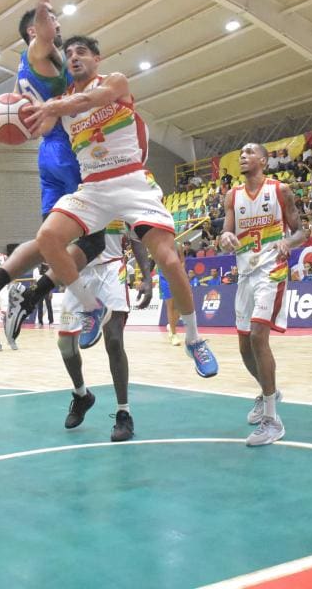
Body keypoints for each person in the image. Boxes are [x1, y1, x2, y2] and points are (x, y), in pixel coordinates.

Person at [29, 34, 219, 378]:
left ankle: (194, 339)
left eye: (81, 52)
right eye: (68, 53)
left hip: (131, 179)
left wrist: (54, 107)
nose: (74, 57)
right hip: (93, 186)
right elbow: (36, 125)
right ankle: (91, 307)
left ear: (97, 58)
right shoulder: (60, 101)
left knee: (171, 261)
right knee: (47, 238)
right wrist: (13, 112)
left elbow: (94, 99)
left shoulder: (114, 81)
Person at [0, 0, 107, 343]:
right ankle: (33, 296)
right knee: (93, 243)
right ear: (34, 29)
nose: (57, 26)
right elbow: (42, 31)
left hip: (48, 156)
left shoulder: (27, 72)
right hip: (69, 154)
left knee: (48, 242)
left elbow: (23, 119)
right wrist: (42, 4)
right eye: (52, 21)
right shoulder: (39, 52)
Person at [218, 143, 306, 446]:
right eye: (240, 153)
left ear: (264, 161)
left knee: (258, 336)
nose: (242, 156)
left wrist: (289, 243)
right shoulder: (233, 196)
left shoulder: (281, 190)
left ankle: (272, 420)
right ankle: (268, 391)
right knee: (244, 346)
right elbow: (225, 235)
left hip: (272, 269)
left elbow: (301, 231)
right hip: (245, 272)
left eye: (249, 153)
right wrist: (226, 237)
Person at [58, 221, 153, 441]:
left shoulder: (121, 194)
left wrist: (147, 277)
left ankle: (124, 412)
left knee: (114, 341)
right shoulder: (72, 192)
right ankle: (82, 395)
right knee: (65, 344)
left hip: (112, 271)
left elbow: (137, 240)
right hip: (78, 273)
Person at [32, 262, 54, 327]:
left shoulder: (46, 268)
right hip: (39, 289)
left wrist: (50, 291)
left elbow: (50, 280)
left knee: (49, 306)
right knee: (39, 307)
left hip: (47, 288)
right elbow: (34, 282)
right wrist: (34, 290)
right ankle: (40, 322)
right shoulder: (35, 270)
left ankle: (51, 322)